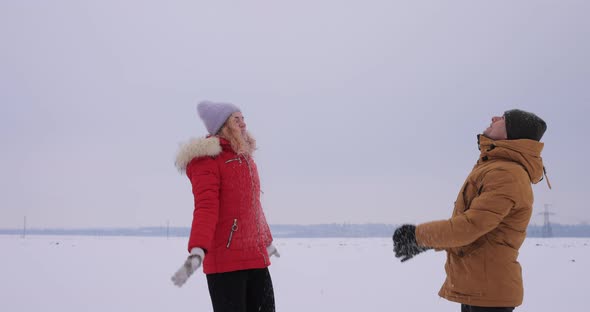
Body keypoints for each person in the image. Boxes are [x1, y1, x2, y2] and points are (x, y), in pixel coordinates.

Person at [392, 109, 549, 312]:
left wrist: (418, 236)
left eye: (503, 118)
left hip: (490, 293)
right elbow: (480, 234)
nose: (494, 118)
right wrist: (429, 243)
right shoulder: (496, 167)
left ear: (512, 132)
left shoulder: (506, 174)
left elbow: (471, 226)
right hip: (481, 288)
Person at [171, 101, 279, 312]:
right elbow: (205, 207)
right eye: (236, 119)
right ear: (223, 126)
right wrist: (198, 249)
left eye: (243, 118)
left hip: (255, 258)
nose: (243, 124)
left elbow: (253, 206)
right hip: (226, 262)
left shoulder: (244, 158)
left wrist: (266, 241)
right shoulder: (207, 160)